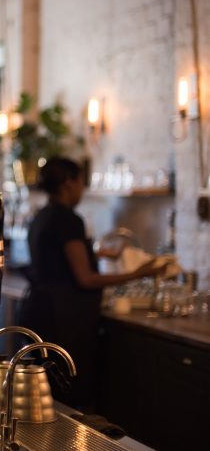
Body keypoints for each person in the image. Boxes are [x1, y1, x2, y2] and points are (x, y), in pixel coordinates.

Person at [19, 157, 165, 411]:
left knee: (42, 393)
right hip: (64, 318)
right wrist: (139, 273)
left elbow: (57, 258)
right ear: (68, 183)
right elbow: (85, 279)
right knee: (68, 394)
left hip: (40, 309)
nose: (82, 189)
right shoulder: (68, 220)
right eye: (79, 182)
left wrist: (98, 253)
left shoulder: (42, 215)